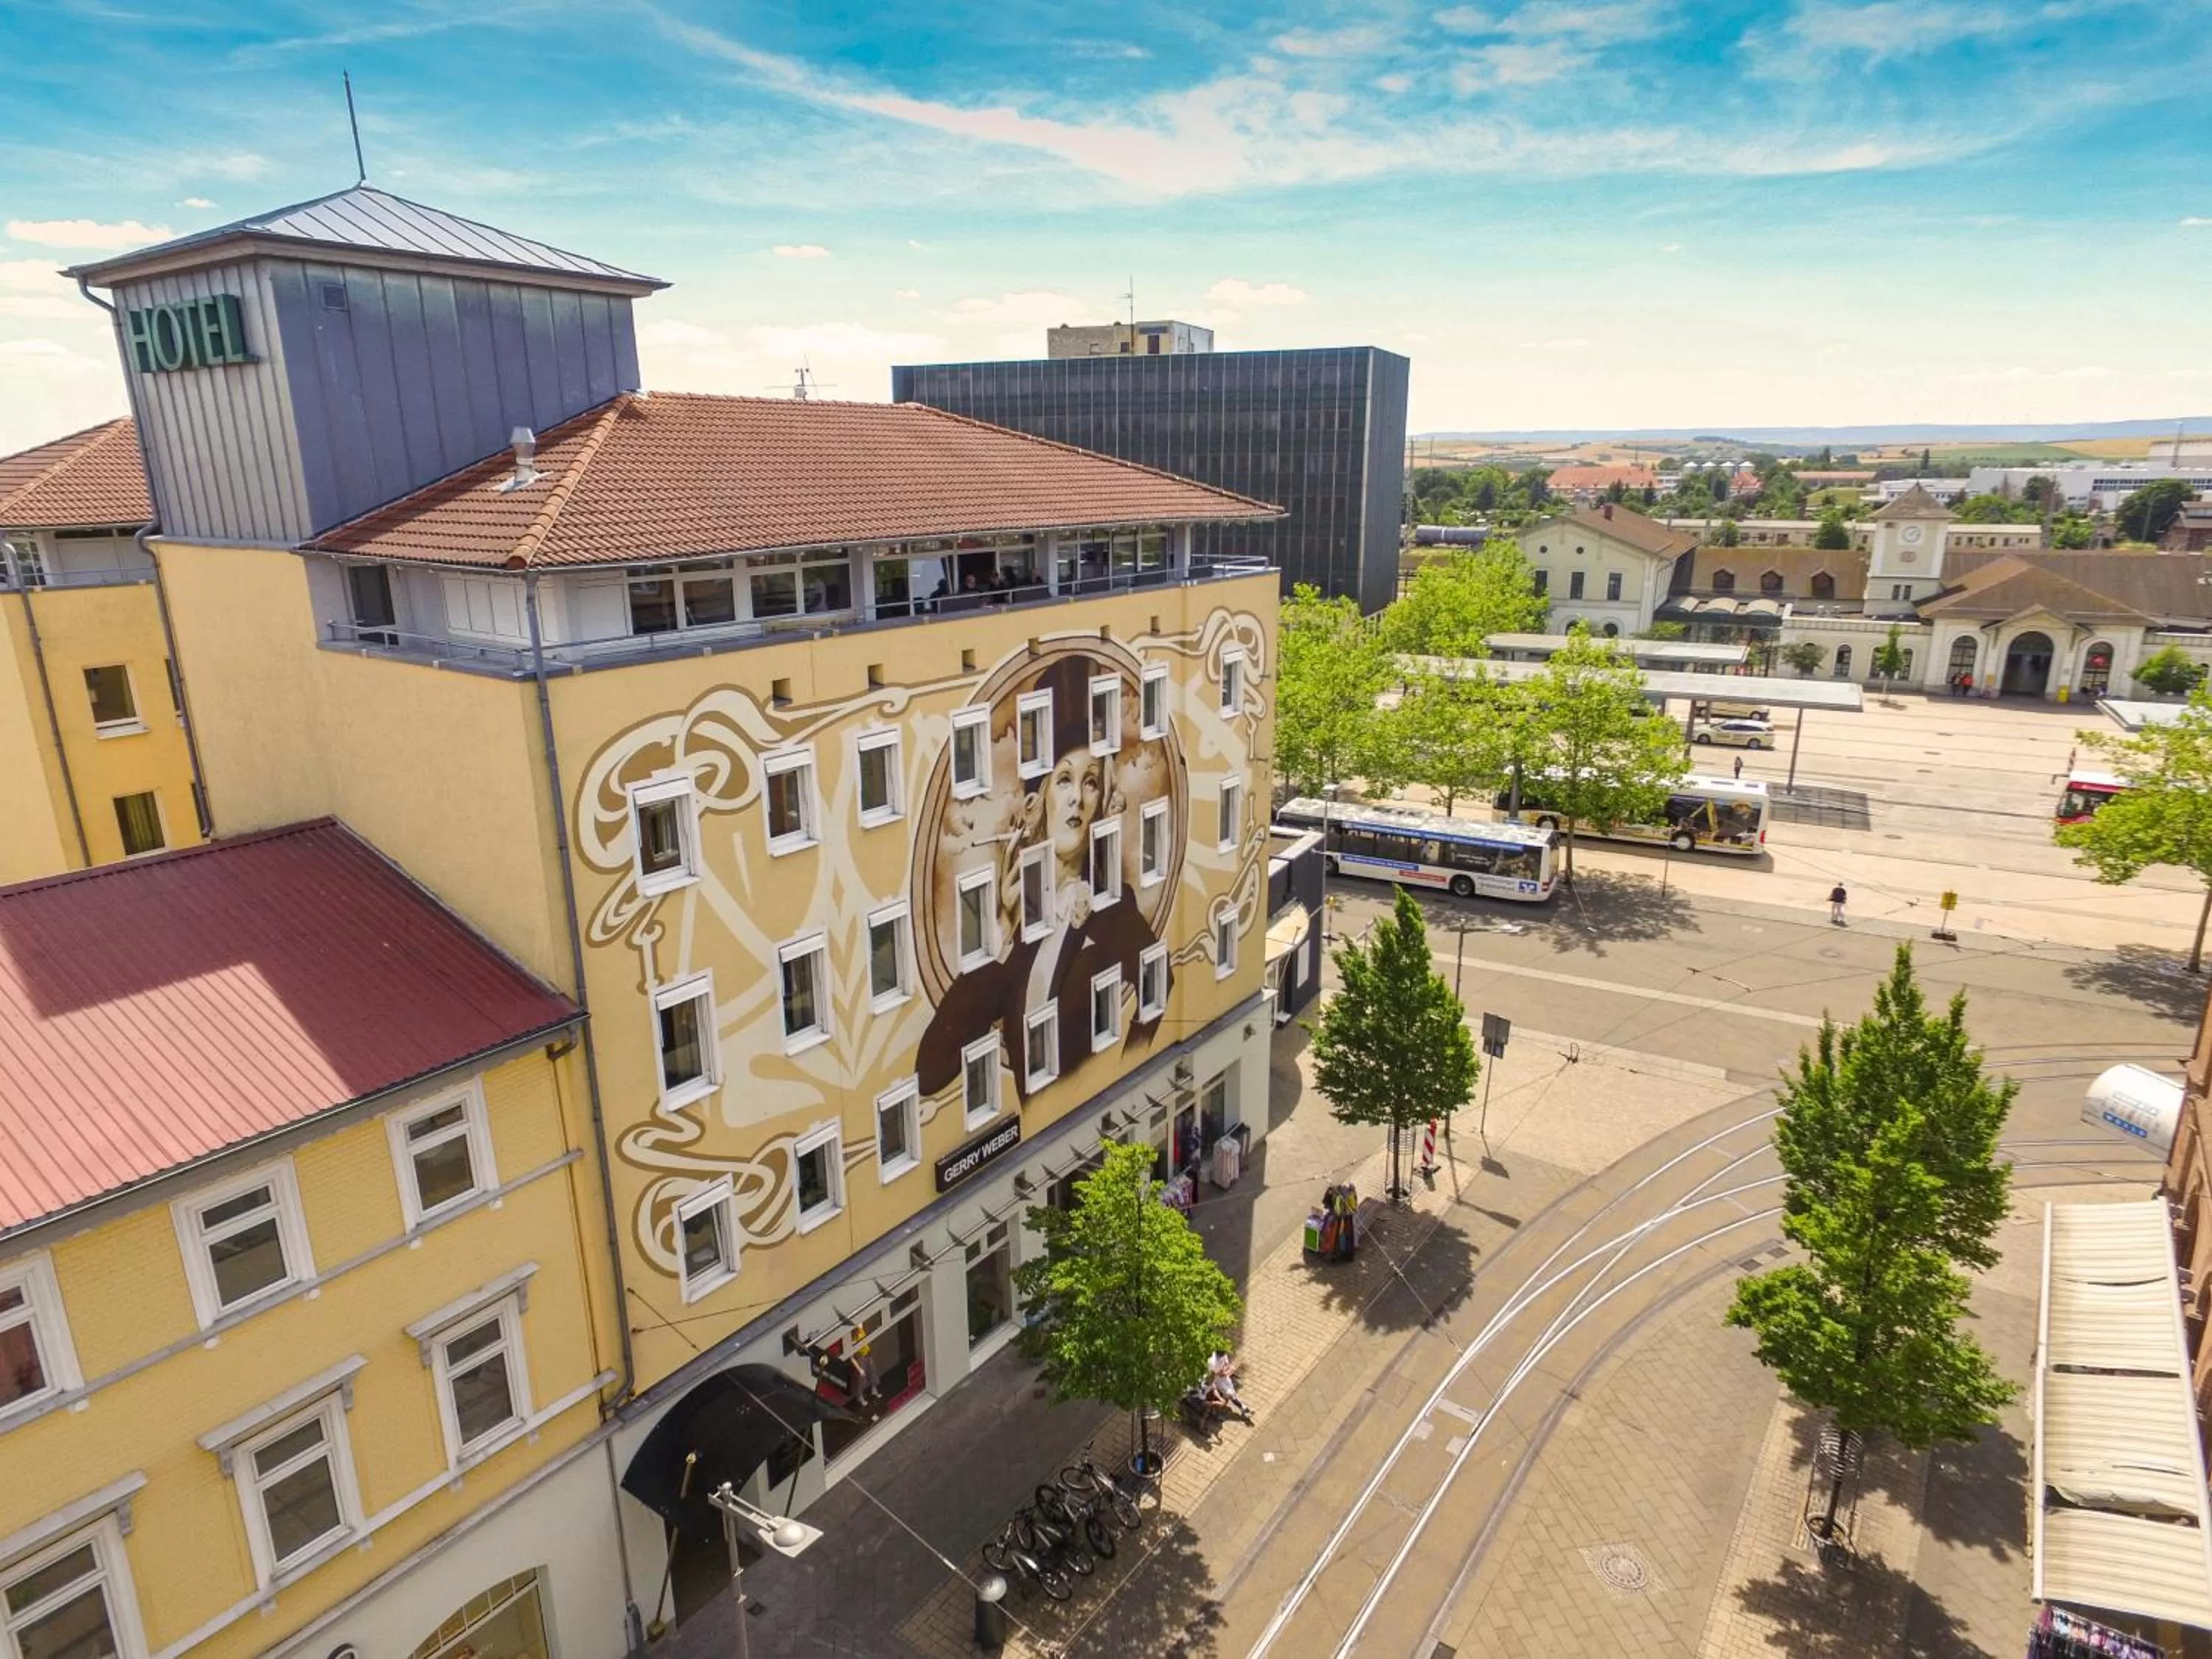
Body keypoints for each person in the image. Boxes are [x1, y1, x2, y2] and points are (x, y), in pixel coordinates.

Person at [1204, 1349, 1251, 1421]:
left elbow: (1227, 1365)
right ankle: (1245, 1409)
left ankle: (1243, 1410)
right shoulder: (1212, 1361)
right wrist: (1225, 1372)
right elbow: (1216, 1374)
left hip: (1225, 1378)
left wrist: (1225, 1371)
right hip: (1218, 1381)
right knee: (1230, 1395)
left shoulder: (1223, 1355)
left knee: (1233, 1393)